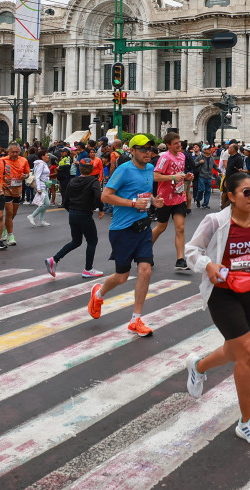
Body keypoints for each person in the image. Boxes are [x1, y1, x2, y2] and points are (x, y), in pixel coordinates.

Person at [184, 170, 250, 445]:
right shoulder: (215, 221)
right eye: (246, 192)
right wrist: (209, 265)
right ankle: (246, 421)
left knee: (235, 348)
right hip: (222, 293)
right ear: (230, 196)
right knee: (247, 350)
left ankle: (198, 366)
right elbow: (191, 251)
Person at [87, 134, 165, 337]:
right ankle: (98, 294)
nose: (148, 152)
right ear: (132, 151)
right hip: (122, 230)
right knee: (121, 277)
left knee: (145, 270)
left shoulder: (149, 168)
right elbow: (106, 196)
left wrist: (154, 200)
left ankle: (135, 319)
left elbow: (144, 192)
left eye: (150, 148)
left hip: (143, 227)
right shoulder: (123, 170)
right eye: (143, 149)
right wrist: (132, 203)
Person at [46, 157, 104, 279]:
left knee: (76, 241)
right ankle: (88, 269)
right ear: (92, 168)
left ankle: (54, 259)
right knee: (92, 241)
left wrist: (71, 210)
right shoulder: (93, 181)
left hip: (73, 213)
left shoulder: (73, 181)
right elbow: (98, 196)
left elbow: (65, 200)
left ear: (79, 168)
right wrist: (100, 209)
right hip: (84, 213)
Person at [151, 132, 193, 271]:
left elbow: (179, 175)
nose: (179, 145)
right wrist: (172, 177)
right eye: (175, 143)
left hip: (179, 196)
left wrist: (186, 177)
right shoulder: (164, 158)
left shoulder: (182, 156)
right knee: (161, 227)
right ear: (168, 145)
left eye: (179, 142)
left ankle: (180, 260)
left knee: (180, 228)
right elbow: (156, 176)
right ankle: (144, 250)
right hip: (164, 197)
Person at [0, 143, 30, 245]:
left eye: (17, 152)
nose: (15, 154)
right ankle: (11, 236)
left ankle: (5, 228)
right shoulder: (3, 160)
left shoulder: (24, 160)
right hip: (6, 189)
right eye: (13, 152)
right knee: (9, 212)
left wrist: (24, 176)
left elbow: (27, 173)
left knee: (13, 213)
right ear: (8, 152)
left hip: (18, 189)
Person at [28, 149, 53, 227]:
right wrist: (38, 188)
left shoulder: (43, 164)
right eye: (47, 155)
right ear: (42, 156)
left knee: (43, 203)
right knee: (46, 203)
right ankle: (32, 216)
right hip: (41, 186)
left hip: (44, 185)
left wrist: (47, 187)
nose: (48, 156)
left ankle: (41, 220)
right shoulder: (41, 164)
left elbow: (44, 177)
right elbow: (37, 177)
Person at [194, 145, 214, 209]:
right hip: (202, 176)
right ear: (204, 150)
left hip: (209, 176)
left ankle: (205, 203)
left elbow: (215, 166)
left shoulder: (211, 158)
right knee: (201, 190)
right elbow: (194, 164)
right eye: (208, 149)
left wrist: (220, 171)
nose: (210, 150)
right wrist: (200, 162)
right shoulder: (200, 157)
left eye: (210, 149)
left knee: (208, 191)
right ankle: (198, 199)